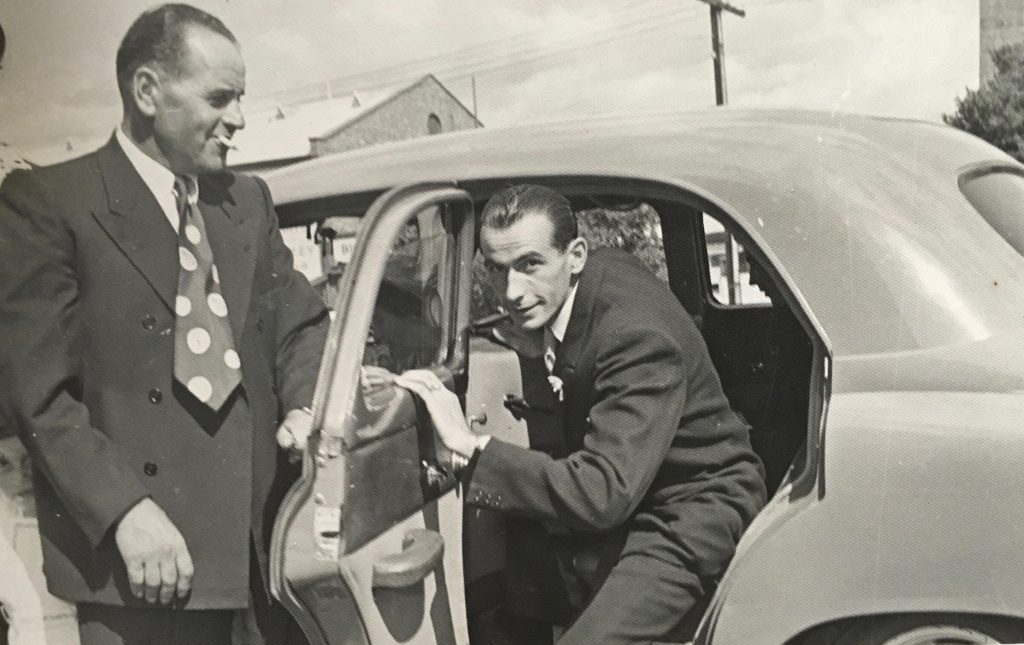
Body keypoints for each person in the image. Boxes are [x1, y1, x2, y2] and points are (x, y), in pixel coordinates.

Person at [0, 5, 329, 644]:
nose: (238, 118)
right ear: (148, 91)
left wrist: (303, 404)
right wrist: (123, 510)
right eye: (220, 97)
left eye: (241, 98)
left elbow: (300, 324)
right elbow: (36, 394)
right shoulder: (50, 204)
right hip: (142, 569)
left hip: (262, 552)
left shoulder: (246, 202)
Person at [396, 184, 767, 644]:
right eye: (496, 269)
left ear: (575, 255)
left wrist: (468, 443)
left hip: (691, 505)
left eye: (530, 265)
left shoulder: (635, 335)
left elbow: (602, 494)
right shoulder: (596, 275)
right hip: (640, 486)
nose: (511, 292)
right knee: (515, 589)